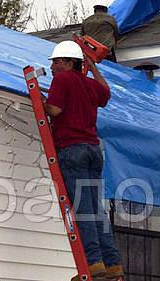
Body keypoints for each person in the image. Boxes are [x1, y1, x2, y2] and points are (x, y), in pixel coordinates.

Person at [44, 41, 123, 281]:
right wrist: (93, 67)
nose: (52, 67)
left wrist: (40, 101)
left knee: (83, 210)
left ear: (70, 63)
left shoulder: (64, 79)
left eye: (56, 62)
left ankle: (93, 264)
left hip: (72, 150)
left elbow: (55, 110)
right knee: (96, 209)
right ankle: (112, 264)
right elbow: (106, 91)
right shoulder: (90, 84)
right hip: (93, 150)